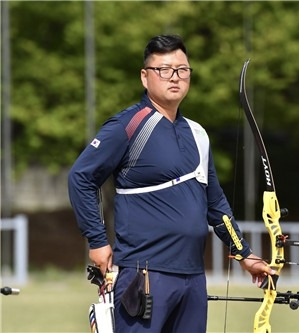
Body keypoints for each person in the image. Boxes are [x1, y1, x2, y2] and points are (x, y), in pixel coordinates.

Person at [68, 34, 273, 332]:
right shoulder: (130, 125)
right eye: (164, 70)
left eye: (182, 70)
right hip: (145, 275)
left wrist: (243, 253)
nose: (174, 77)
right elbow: (81, 177)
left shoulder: (198, 134)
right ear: (145, 76)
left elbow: (216, 205)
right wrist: (97, 241)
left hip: (192, 277)